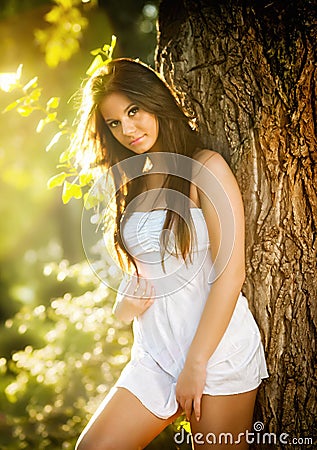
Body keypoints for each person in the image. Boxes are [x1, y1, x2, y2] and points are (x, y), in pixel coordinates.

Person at [74, 58, 269, 450]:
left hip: (215, 354)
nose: (127, 129)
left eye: (133, 111)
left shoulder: (204, 169)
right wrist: (124, 306)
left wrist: (196, 365)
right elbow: (142, 281)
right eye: (114, 123)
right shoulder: (136, 181)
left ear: (155, 101)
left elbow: (231, 276)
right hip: (155, 356)